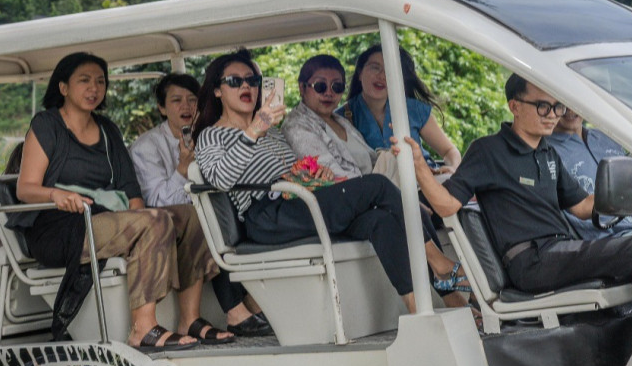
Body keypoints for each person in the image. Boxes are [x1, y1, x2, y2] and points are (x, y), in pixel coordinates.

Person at [8, 52, 231, 352]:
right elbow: (25, 189)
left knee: (189, 216)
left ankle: (189, 319)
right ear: (63, 87)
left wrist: (149, 223)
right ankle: (143, 328)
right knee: (154, 221)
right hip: (59, 226)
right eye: (84, 81)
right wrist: (57, 195)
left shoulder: (108, 129)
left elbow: (131, 193)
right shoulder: (46, 124)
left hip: (105, 218)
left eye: (100, 81)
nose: (94, 88)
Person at [192, 48, 418, 314]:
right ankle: (439, 266)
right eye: (234, 81)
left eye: (252, 81)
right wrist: (253, 131)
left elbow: (291, 173)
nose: (246, 86)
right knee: (377, 185)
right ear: (218, 90)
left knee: (379, 220)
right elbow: (221, 179)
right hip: (266, 216)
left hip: (298, 205)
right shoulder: (212, 136)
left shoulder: (272, 132)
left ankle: (417, 308)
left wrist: (312, 175)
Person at [400, 74, 632, 294]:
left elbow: (583, 207)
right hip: (532, 261)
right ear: (515, 106)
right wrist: (420, 166)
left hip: (562, 250)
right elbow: (446, 205)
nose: (553, 115)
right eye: (543, 107)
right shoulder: (488, 150)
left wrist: (628, 188)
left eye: (557, 107)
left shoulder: (548, 153)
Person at [284, 54, 472, 303]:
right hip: (335, 204)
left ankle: (438, 304)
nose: (329, 92)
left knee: (395, 218)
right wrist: (389, 196)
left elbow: (373, 160)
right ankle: (439, 262)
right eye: (320, 86)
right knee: (399, 201)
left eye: (336, 86)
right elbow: (334, 176)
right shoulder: (298, 126)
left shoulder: (340, 121)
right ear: (302, 88)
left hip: (365, 203)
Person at [130, 73, 272, 337]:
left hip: (216, 215)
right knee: (207, 218)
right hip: (171, 224)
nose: (186, 107)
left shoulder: (208, 135)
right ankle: (234, 309)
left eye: (192, 99)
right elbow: (158, 205)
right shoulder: (146, 147)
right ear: (162, 107)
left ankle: (252, 303)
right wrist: (182, 169)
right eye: (176, 100)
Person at [340, 44, 460, 174]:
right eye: (375, 68)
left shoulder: (413, 109)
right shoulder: (340, 118)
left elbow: (449, 151)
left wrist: (453, 168)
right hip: (377, 191)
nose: (382, 76)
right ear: (359, 73)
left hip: (425, 184)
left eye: (390, 70)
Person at [548, 108, 632, 239]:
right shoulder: (547, 151)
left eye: (573, 102)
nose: (569, 110)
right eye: (561, 104)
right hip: (605, 241)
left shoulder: (607, 136)